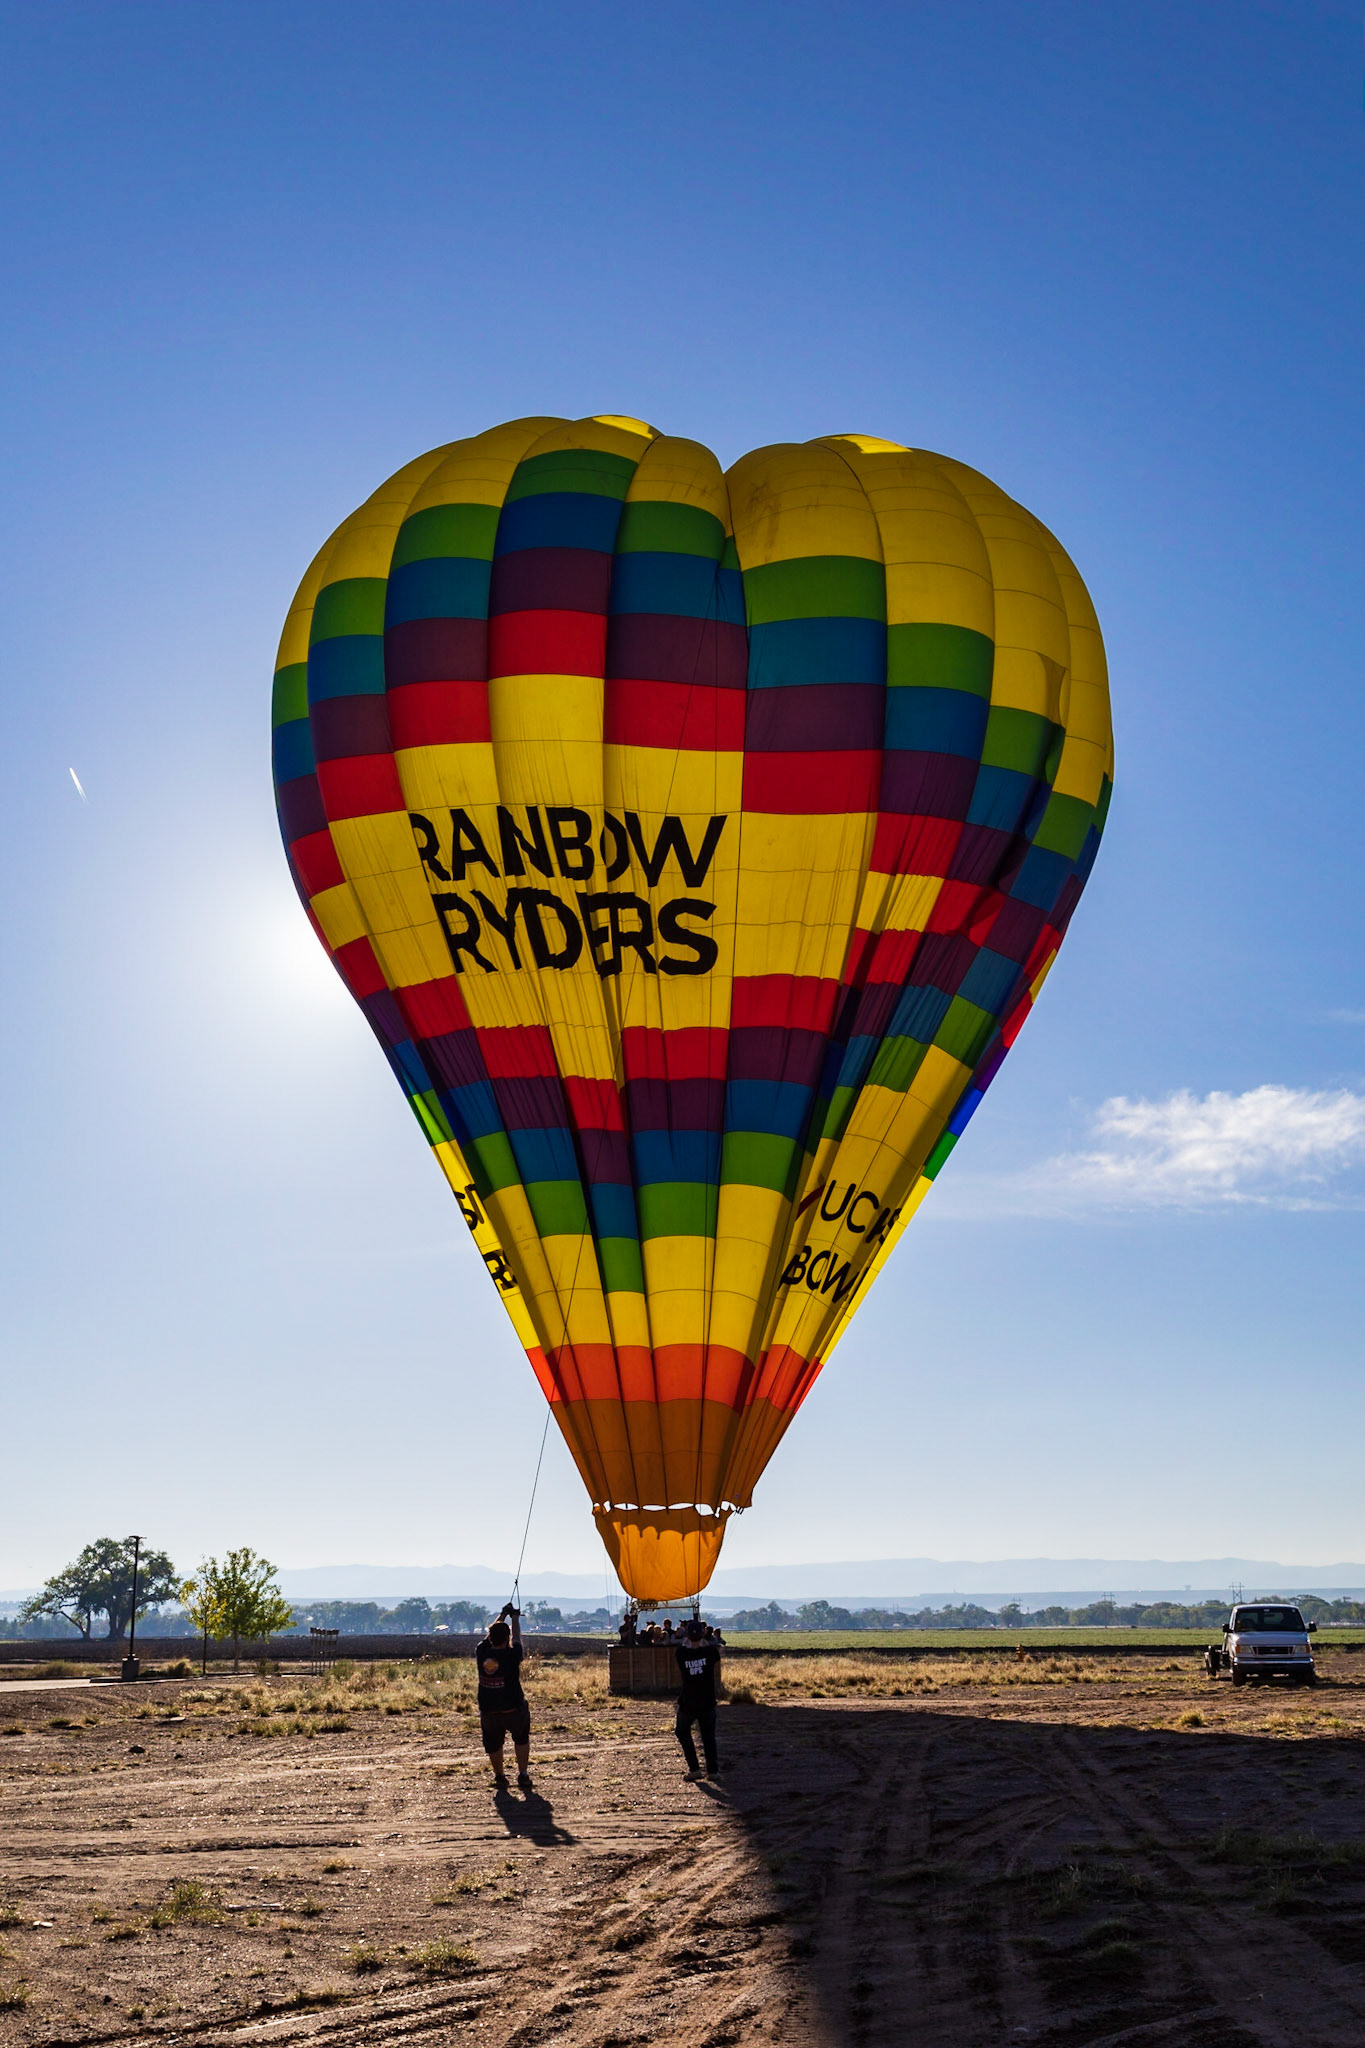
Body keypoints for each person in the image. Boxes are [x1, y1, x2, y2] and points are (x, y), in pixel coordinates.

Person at [475, 1603, 532, 1792]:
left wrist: (503, 1615)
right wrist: (514, 1618)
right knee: (521, 1739)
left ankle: (499, 1776)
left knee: (493, 1743)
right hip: (514, 1708)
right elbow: (517, 1638)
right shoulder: (512, 1654)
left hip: (489, 1711)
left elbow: (490, 1637)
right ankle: (523, 1774)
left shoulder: (481, 1652)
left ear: (491, 1637)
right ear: (506, 1638)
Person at [674, 1618, 721, 1780]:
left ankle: (694, 1768)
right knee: (708, 1736)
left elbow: (682, 1647)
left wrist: (688, 1639)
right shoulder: (710, 1652)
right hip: (707, 1700)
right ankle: (713, 1771)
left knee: (682, 1731)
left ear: (687, 1635)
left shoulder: (681, 1653)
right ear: (702, 1634)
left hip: (688, 1702)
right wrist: (704, 1640)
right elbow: (715, 1653)